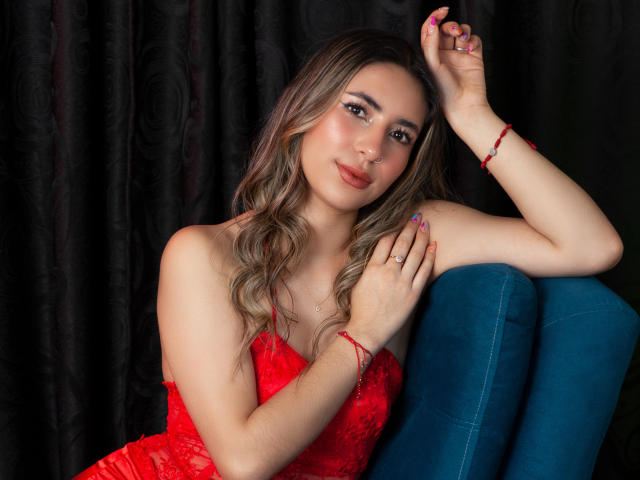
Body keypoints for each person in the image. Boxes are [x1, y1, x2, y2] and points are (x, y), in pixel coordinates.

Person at [74, 6, 623, 480]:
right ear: (305, 108)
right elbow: (242, 462)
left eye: (400, 134)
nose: (371, 148)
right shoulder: (203, 255)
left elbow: (591, 245)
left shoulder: (411, 236)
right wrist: (363, 333)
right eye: (357, 110)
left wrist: (471, 115)